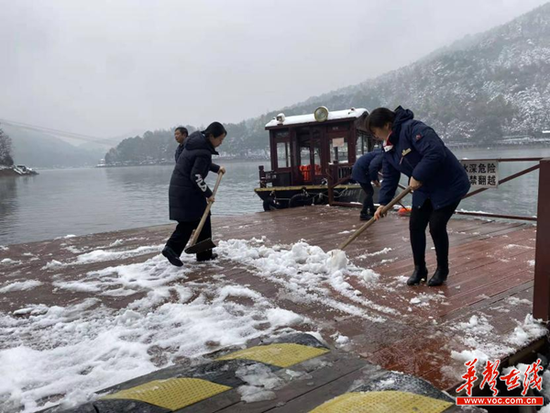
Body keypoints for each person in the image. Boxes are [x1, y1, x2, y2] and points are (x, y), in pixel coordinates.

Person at [357, 107, 470, 287]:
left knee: (436, 226)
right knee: (415, 226)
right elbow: (390, 176)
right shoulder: (387, 147)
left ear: (387, 125)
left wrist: (417, 174)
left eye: (375, 131)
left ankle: (442, 270)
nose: (375, 136)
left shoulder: (414, 129)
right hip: (424, 188)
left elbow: (435, 152)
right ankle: (420, 269)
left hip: (448, 184)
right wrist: (383, 203)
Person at [162, 122, 227, 266]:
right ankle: (171, 249)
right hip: (187, 190)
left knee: (201, 217)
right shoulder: (203, 150)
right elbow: (196, 175)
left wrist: (217, 169)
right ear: (211, 136)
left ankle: (204, 253)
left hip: (182, 188)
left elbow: (199, 163)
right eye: (220, 139)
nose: (221, 143)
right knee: (189, 221)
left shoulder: (198, 145)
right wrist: (208, 193)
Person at [351, 148, 383, 220]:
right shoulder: (382, 155)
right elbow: (373, 167)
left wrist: (375, 179)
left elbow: (374, 167)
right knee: (369, 192)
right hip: (360, 172)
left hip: (360, 170)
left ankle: (372, 211)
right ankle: (363, 213)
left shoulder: (379, 153)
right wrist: (375, 180)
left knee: (369, 192)